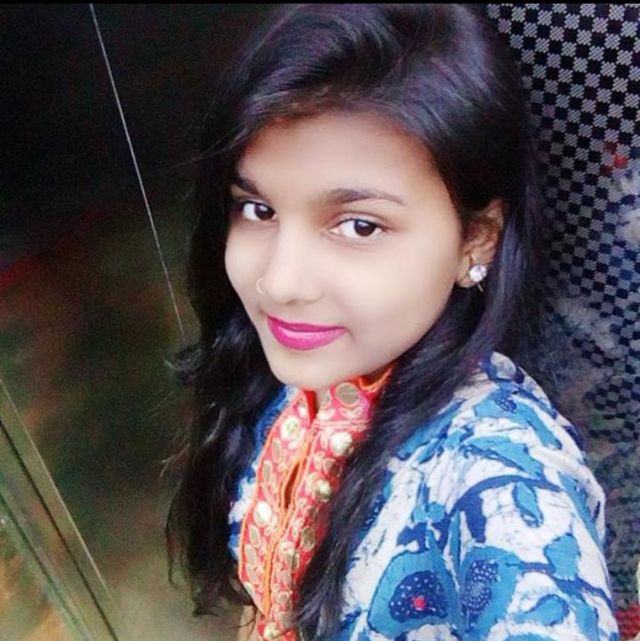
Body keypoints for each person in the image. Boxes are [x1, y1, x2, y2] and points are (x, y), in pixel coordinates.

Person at [165, 4, 619, 640]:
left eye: (359, 226)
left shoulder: (500, 478)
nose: (280, 283)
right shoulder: (301, 373)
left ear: (478, 239)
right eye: (258, 210)